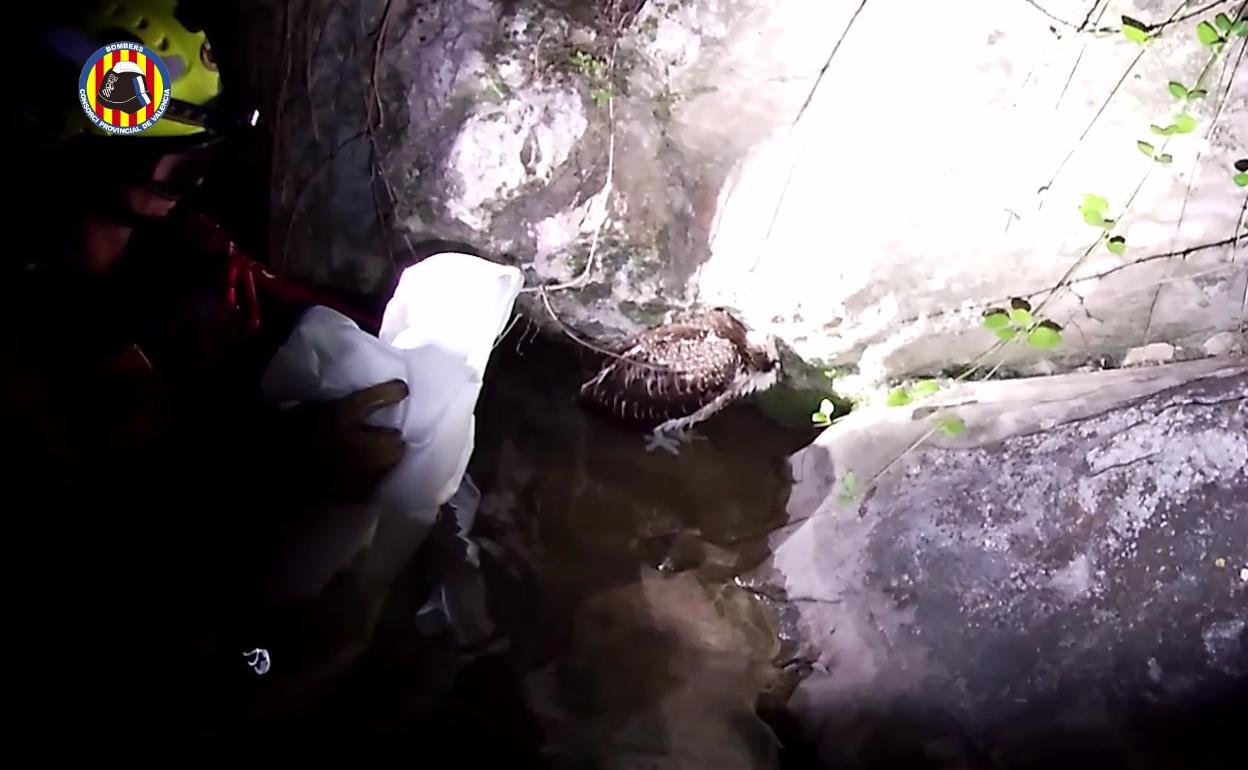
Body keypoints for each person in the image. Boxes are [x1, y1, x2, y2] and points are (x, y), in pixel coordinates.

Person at [2, 0, 410, 730]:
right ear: (96, 151)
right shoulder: (24, 318)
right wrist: (286, 462)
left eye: (205, 164)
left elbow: (257, 314)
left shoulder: (179, 251)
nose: (194, 184)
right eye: (178, 167)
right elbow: (90, 526)